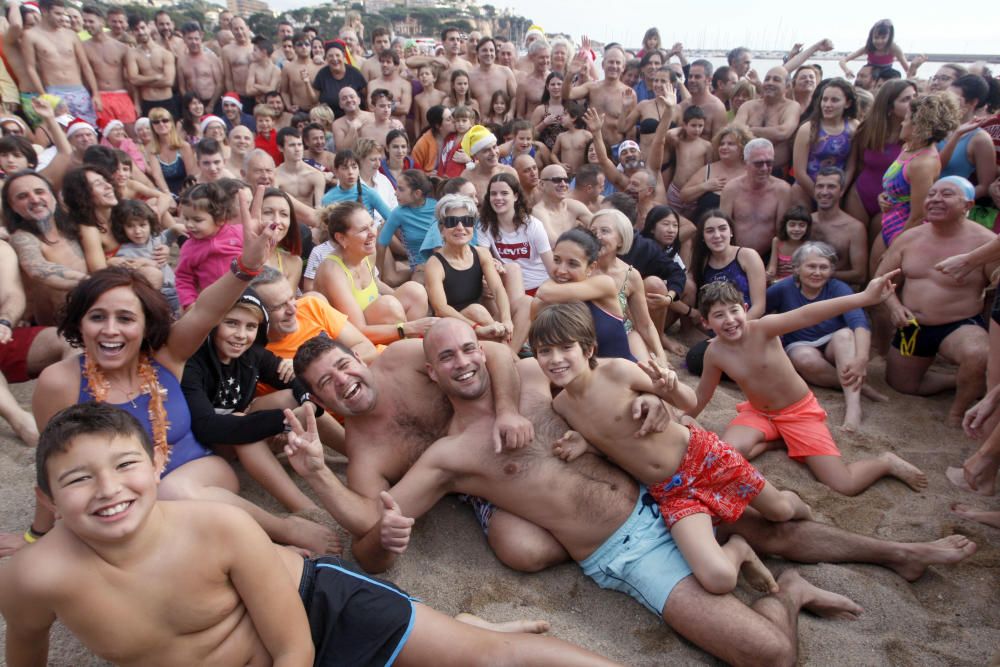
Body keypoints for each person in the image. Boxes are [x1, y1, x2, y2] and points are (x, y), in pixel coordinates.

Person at [292, 321, 952, 667]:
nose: (463, 362)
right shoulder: (447, 458)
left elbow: (615, 381)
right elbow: (375, 523)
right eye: (450, 359)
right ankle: (795, 594)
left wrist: (655, 407)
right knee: (771, 654)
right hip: (627, 549)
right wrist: (318, 474)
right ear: (432, 371)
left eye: (470, 350)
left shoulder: (527, 378)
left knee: (774, 526)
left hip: (660, 489)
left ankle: (895, 547)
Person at [1, 402, 625, 667]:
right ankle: (459, 626)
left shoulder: (218, 526)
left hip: (319, 613)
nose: (109, 489)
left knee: (485, 659)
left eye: (125, 466)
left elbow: (295, 651)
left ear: (155, 469)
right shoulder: (33, 577)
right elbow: (25, 654)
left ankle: (469, 632)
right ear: (49, 500)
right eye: (80, 478)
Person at [0, 184, 339, 557]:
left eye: (126, 318)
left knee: (169, 494)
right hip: (127, 494)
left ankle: (277, 534)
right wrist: (36, 534)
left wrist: (247, 266)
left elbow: (207, 311)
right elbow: (51, 464)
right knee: (151, 510)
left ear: (145, 325)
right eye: (98, 317)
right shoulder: (59, 382)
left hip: (199, 470)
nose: (111, 330)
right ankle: (269, 545)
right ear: (80, 325)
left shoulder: (166, 357)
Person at [532, 302, 810, 595]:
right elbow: (614, 446)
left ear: (588, 349)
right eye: (544, 351)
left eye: (565, 348)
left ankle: (801, 505)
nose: (555, 359)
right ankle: (739, 549)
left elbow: (689, 402)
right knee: (719, 579)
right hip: (669, 492)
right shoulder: (561, 406)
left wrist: (669, 388)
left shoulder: (617, 371)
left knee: (780, 511)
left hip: (704, 457)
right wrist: (586, 445)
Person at [690, 276, 928, 496]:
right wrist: (683, 419)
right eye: (719, 315)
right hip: (759, 413)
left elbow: (807, 314)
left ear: (744, 310)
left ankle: (885, 462)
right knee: (725, 456)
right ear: (706, 322)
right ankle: (777, 441)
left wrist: (864, 297)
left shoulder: (763, 328)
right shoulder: (714, 353)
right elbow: (703, 394)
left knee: (844, 485)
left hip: (798, 413)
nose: (730, 320)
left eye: (733, 311)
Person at [876, 176, 996, 426]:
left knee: (978, 352)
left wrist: (990, 334)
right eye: (931, 194)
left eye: (947, 194)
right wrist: (895, 307)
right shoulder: (909, 237)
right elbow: (880, 280)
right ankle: (962, 379)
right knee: (902, 385)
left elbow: (995, 292)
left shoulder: (985, 244)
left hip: (960, 325)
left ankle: (957, 412)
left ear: (968, 205)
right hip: (912, 326)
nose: (935, 200)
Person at [766, 241, 885, 431]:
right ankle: (859, 386)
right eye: (811, 266)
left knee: (845, 335)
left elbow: (859, 322)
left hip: (833, 343)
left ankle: (853, 408)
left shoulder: (838, 288)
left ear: (831, 270)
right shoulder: (783, 288)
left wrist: (862, 359)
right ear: (797, 268)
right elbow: (759, 311)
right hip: (800, 344)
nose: (817, 272)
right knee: (804, 358)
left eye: (823, 267)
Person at [315, 201, 435, 344]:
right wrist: (408, 327)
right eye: (363, 230)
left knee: (415, 291)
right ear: (341, 238)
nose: (372, 233)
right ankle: (407, 348)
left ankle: (410, 345)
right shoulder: (332, 271)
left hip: (372, 322)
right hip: (349, 340)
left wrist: (400, 303)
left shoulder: (366, 253)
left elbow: (376, 283)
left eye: (372, 225)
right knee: (387, 305)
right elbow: (357, 329)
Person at [872, 92, 958, 272]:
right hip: (890, 224)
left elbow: (919, 215)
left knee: (882, 287)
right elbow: (901, 189)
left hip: (904, 231)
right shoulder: (908, 148)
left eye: (907, 118)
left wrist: (895, 249)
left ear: (919, 125)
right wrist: (884, 196)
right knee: (871, 282)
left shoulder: (923, 164)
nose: (902, 122)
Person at [2, 170, 89, 326]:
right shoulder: (22, 238)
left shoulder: (74, 229)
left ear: (53, 197)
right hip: (60, 331)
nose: (35, 199)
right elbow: (37, 269)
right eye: (22, 196)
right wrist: (94, 283)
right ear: (13, 207)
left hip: (93, 316)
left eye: (40, 192)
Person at [425, 193, 514, 345]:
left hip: (481, 318)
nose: (460, 227)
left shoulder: (481, 253)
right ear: (442, 228)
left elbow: (498, 289)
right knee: (476, 310)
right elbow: (441, 309)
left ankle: (510, 351)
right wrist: (477, 328)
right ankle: (512, 357)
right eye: (452, 222)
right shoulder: (435, 263)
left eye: (466, 221)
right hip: (450, 325)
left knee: (526, 303)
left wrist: (507, 320)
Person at [845, 79, 916, 229]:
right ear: (889, 107)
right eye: (905, 99)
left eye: (914, 97)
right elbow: (857, 164)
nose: (912, 103)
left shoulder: (917, 136)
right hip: (859, 195)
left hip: (892, 203)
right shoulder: (868, 129)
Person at [21, 0, 102, 126]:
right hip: (54, 91)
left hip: (79, 90)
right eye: (57, 14)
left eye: (63, 14)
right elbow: (30, 68)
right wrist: (43, 95)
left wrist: (95, 93)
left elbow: (85, 65)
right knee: (63, 131)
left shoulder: (71, 35)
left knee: (89, 130)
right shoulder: (31, 35)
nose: (62, 18)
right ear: (44, 11)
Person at [719, 138, 792, 259]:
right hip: (735, 255)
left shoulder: (782, 190)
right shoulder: (731, 189)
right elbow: (722, 227)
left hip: (769, 256)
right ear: (746, 163)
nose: (764, 168)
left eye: (769, 163)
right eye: (758, 163)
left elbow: (782, 233)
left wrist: (775, 264)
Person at [791, 78, 858, 207]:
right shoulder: (808, 129)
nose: (827, 104)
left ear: (848, 103)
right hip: (805, 189)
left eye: (834, 100)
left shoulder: (853, 127)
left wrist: (840, 192)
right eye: (825, 99)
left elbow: (851, 166)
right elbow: (799, 172)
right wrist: (819, 195)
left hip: (836, 191)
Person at [108, 198, 179, 311]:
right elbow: (130, 270)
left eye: (142, 225)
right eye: (130, 226)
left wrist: (176, 229)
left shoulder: (155, 239)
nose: (138, 231)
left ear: (150, 224)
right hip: (157, 295)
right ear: (122, 228)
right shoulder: (125, 251)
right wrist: (147, 263)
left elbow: (170, 234)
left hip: (176, 288)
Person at [937, 75, 997, 198]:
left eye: (953, 99)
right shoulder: (936, 128)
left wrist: (955, 200)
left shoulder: (980, 139)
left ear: (973, 103)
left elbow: (985, 186)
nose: (945, 102)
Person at [810, 167, 869, 287]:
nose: (824, 192)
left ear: (841, 191)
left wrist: (822, 274)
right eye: (820, 186)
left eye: (831, 187)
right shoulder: (805, 222)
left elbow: (860, 275)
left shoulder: (855, 228)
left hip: (836, 289)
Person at [680, 124, 750, 224]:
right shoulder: (708, 169)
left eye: (730, 144)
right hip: (704, 227)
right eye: (721, 144)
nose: (724, 147)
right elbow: (683, 196)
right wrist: (704, 187)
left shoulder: (750, 172)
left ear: (743, 147)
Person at [650, 105, 712, 219]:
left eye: (700, 126)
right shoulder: (678, 140)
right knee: (671, 217)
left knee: (691, 220)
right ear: (684, 124)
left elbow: (709, 170)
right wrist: (680, 129)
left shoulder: (707, 146)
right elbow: (665, 134)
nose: (697, 129)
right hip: (675, 189)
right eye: (693, 125)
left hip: (694, 191)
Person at [734, 67, 800, 173]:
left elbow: (783, 132)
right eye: (767, 79)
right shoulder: (748, 106)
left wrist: (750, 129)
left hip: (776, 171)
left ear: (787, 86)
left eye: (776, 80)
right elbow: (735, 130)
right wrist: (770, 132)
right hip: (744, 169)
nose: (770, 83)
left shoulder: (792, 106)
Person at [79, 6, 134, 131]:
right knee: (107, 138)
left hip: (121, 95)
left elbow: (131, 78)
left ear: (101, 22)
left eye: (91, 21)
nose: (87, 25)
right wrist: (94, 95)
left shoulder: (122, 47)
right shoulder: (83, 47)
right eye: (85, 21)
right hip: (100, 96)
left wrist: (135, 102)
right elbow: (85, 73)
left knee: (131, 135)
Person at [125, 16, 177, 119]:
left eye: (142, 27)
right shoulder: (132, 54)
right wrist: (156, 77)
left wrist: (142, 80)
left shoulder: (165, 53)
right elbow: (133, 79)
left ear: (149, 27)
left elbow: (169, 81)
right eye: (136, 30)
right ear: (132, 33)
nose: (140, 32)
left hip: (167, 101)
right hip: (147, 102)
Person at [310, 40, 367, 118]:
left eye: (337, 55)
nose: (334, 59)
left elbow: (366, 96)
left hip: (355, 118)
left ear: (343, 56)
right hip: (330, 120)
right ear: (326, 58)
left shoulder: (355, 73)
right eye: (330, 56)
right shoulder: (322, 75)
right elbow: (315, 101)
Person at [177, 21, 224, 114]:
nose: (194, 42)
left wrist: (211, 105)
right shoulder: (181, 61)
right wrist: (190, 104)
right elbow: (182, 87)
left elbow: (220, 84)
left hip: (212, 102)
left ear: (201, 37)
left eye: (196, 38)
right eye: (190, 39)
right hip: (193, 105)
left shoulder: (211, 58)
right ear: (184, 39)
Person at [839, 19, 909, 80]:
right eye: (876, 37)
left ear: (889, 37)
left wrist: (914, 67)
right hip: (870, 76)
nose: (879, 41)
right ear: (871, 37)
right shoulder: (869, 47)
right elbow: (843, 61)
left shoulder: (894, 48)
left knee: (896, 75)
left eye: (883, 38)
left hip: (885, 76)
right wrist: (847, 70)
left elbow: (908, 70)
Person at [148, 107, 195, 196]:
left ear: (171, 123)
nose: (161, 124)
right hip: (165, 192)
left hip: (187, 190)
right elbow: (158, 177)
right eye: (156, 122)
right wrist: (169, 196)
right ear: (152, 126)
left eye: (165, 120)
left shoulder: (184, 146)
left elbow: (190, 175)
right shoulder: (153, 151)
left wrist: (185, 195)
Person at [274, 127, 324, 208]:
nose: (297, 149)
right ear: (280, 148)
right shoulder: (274, 175)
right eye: (292, 145)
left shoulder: (316, 174)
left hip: (310, 218)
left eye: (300, 144)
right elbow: (275, 205)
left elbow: (319, 207)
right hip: (285, 218)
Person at [677, 59, 727, 140]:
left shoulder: (717, 108)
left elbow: (718, 143)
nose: (692, 80)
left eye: (697, 77)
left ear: (709, 80)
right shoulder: (683, 105)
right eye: (690, 76)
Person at [766, 206, 811, 284]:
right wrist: (768, 275)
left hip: (797, 283)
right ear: (785, 226)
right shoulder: (777, 241)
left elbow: (803, 273)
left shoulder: (808, 246)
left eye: (802, 225)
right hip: (776, 282)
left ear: (807, 227)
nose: (797, 229)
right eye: (792, 225)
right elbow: (772, 268)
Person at [280, 32, 320, 113]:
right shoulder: (288, 68)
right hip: (298, 112)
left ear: (311, 47)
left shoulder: (319, 66)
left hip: (317, 111)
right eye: (300, 45)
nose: (304, 47)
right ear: (294, 48)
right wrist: (288, 106)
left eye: (306, 44)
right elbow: (284, 92)